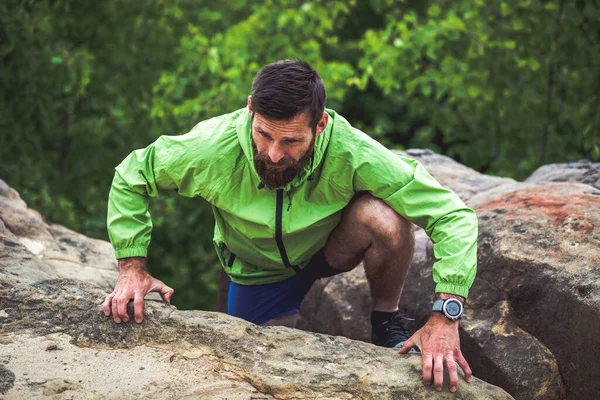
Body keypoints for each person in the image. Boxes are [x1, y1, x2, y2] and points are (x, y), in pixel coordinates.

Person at [103, 60, 477, 392]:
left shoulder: (350, 149)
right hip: (258, 272)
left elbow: (453, 215)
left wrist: (446, 315)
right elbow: (133, 176)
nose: (274, 154)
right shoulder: (212, 147)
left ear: (320, 124)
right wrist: (132, 267)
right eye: (264, 134)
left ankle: (385, 319)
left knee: (386, 216)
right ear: (251, 111)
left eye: (292, 141)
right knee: (248, 375)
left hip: (329, 247)